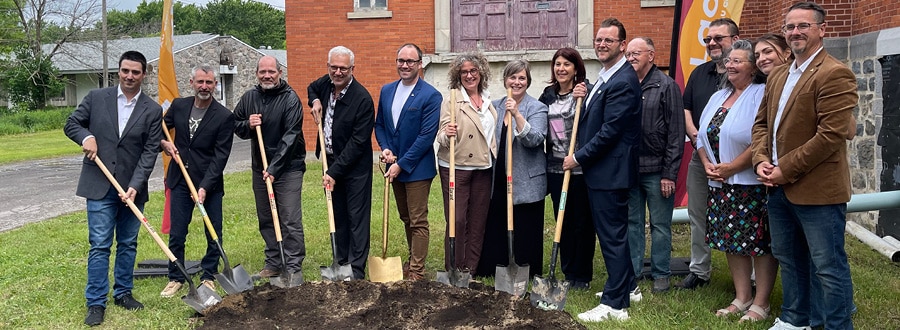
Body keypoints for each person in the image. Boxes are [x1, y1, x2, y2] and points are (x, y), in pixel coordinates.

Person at [751, 2, 858, 329]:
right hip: (778, 187)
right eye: (790, 27)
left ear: (821, 30)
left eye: (803, 26)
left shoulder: (834, 73)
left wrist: (785, 168)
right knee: (790, 259)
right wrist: (761, 161)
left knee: (827, 266)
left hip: (818, 191)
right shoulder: (779, 74)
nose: (795, 32)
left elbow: (830, 136)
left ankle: (836, 325)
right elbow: (762, 125)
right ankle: (795, 319)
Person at [64, 50, 162, 326]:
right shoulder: (97, 99)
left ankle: (123, 293)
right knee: (100, 245)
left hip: (132, 189)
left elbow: (149, 152)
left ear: (144, 74)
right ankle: (96, 302)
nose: (129, 76)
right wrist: (87, 136)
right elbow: (72, 124)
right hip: (99, 185)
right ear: (118, 71)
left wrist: (135, 186)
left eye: (135, 72)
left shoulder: (152, 110)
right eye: (125, 71)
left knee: (128, 243)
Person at [566, 18, 642, 322]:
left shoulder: (623, 79)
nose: (602, 44)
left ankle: (615, 304)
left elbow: (610, 132)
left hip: (610, 172)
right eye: (599, 40)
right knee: (613, 233)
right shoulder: (607, 75)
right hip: (604, 172)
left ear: (622, 45)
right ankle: (626, 286)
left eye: (609, 41)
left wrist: (578, 158)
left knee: (612, 235)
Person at [696, 40, 777, 322]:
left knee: (758, 243)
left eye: (738, 61)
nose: (730, 65)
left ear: (753, 67)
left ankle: (761, 303)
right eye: (729, 61)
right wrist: (708, 164)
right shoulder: (718, 96)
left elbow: (762, 139)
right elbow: (701, 135)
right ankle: (742, 297)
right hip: (720, 184)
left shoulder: (761, 93)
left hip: (749, 183)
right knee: (732, 242)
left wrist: (732, 167)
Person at [159, 65, 235, 297]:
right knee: (178, 232)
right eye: (200, 82)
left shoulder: (224, 116)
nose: (204, 87)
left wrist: (204, 187)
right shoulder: (179, 106)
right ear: (191, 83)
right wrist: (164, 143)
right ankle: (176, 276)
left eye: (209, 83)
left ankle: (209, 274)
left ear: (215, 85)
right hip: (180, 179)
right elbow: (159, 129)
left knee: (213, 231)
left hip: (208, 182)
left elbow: (220, 156)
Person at [680, 18, 740, 290]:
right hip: (700, 156)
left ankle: (747, 275)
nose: (712, 43)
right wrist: (697, 138)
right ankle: (699, 270)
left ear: (735, 39)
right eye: (708, 39)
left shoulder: (744, 76)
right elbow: (687, 109)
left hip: (736, 159)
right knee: (697, 214)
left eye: (719, 38)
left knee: (739, 216)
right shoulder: (699, 73)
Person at [233, 55, 307, 280]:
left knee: (288, 217)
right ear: (257, 73)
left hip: (288, 168)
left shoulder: (290, 99)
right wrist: (248, 124)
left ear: (279, 73)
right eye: (263, 72)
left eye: (271, 72)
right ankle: (274, 262)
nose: (267, 75)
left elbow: (291, 137)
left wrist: (274, 168)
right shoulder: (249, 98)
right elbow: (235, 125)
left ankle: (293, 265)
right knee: (266, 216)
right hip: (260, 167)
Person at [374, 43, 442, 281]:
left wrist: (401, 164)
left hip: (417, 170)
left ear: (419, 64)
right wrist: (386, 149)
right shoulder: (387, 90)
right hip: (394, 166)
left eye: (410, 61)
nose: (404, 65)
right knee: (406, 218)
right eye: (401, 60)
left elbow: (426, 137)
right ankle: (412, 261)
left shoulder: (431, 95)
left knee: (418, 220)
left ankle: (417, 271)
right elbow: (380, 124)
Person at [309, 46, 375, 280]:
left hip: (355, 167)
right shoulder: (325, 85)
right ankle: (341, 260)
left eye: (343, 68)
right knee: (337, 214)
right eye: (333, 67)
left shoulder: (362, 99)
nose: (338, 72)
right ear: (328, 67)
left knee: (356, 217)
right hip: (331, 162)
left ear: (352, 69)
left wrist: (334, 172)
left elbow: (358, 142)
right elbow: (312, 87)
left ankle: (355, 269)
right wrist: (315, 100)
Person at [624, 37, 684, 293]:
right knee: (632, 222)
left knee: (660, 225)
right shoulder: (625, 85)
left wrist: (669, 174)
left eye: (636, 53)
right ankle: (634, 272)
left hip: (658, 171)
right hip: (630, 170)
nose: (631, 58)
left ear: (651, 55)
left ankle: (661, 273)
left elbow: (675, 133)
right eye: (628, 54)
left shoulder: (666, 85)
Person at [477, 60, 548, 277]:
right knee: (497, 223)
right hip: (499, 176)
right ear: (505, 80)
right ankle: (494, 268)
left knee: (526, 227)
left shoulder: (537, 107)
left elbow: (535, 139)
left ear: (528, 82)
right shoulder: (494, 105)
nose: (516, 82)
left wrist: (517, 114)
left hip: (526, 179)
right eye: (512, 77)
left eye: (522, 78)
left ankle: (527, 269)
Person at [436, 52, 497, 275]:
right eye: (464, 72)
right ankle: (453, 267)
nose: (469, 76)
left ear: (481, 72)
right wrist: (446, 132)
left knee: (477, 221)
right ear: (458, 76)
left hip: (483, 168)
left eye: (473, 71)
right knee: (458, 220)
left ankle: (469, 270)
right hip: (456, 168)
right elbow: (441, 135)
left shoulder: (489, 100)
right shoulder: (452, 101)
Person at [537, 48, 594, 289]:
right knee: (563, 221)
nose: (561, 69)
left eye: (567, 65)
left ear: (576, 68)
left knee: (583, 223)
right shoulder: (547, 96)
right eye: (558, 64)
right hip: (556, 169)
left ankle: (581, 276)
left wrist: (586, 93)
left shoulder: (585, 92)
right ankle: (567, 271)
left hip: (580, 169)